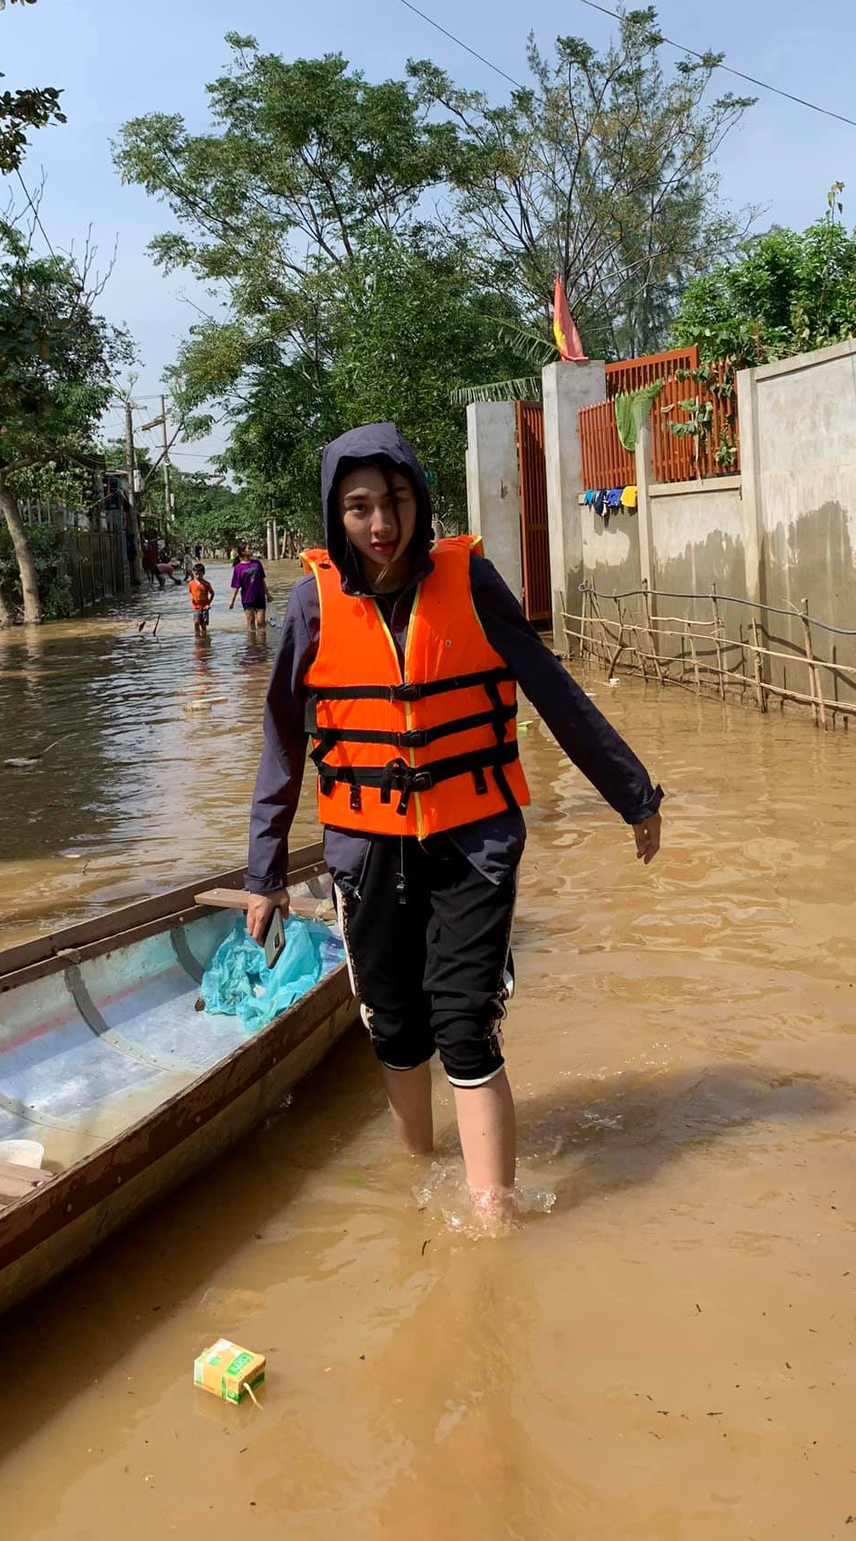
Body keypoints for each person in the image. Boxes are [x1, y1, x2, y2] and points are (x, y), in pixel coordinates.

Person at [242, 424, 662, 1224]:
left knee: (465, 1021)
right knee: (395, 1024)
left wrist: (633, 793)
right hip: (367, 847)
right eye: (359, 507)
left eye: (393, 501)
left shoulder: (470, 582)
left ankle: (492, 1215)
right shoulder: (310, 603)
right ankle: (417, 1176)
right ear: (337, 516)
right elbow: (282, 741)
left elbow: (551, 688)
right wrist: (263, 873)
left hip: (472, 840)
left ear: (417, 500)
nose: (380, 524)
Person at [229, 541, 272, 635]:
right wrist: (232, 601)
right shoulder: (238, 568)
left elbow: (262, 580)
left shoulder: (257, 563)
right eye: (249, 548)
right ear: (243, 551)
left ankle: (262, 644)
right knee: (251, 621)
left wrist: (267, 594)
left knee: (261, 622)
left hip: (260, 596)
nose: (251, 549)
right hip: (247, 598)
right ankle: (252, 644)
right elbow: (235, 586)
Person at [188, 561, 214, 635]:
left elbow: (212, 594)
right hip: (196, 607)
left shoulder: (206, 584)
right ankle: (197, 637)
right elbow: (191, 592)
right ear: (193, 573)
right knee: (196, 622)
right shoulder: (191, 583)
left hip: (205, 607)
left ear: (203, 573)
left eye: (200, 574)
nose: (198, 576)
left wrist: (208, 604)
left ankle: (204, 637)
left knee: (203, 625)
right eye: (196, 574)